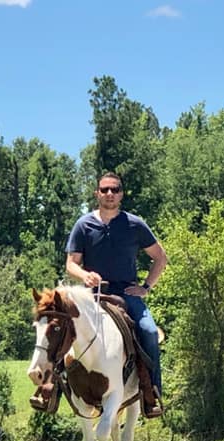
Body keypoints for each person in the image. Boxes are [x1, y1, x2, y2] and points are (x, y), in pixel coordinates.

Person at [65, 172, 167, 418]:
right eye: (105, 190)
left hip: (127, 292)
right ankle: (50, 391)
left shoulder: (134, 224)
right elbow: (71, 263)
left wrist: (146, 287)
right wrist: (84, 275)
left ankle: (151, 392)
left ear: (121, 194)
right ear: (96, 193)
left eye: (115, 189)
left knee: (150, 332)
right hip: (92, 295)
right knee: (58, 329)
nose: (109, 194)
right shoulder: (84, 225)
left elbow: (160, 258)